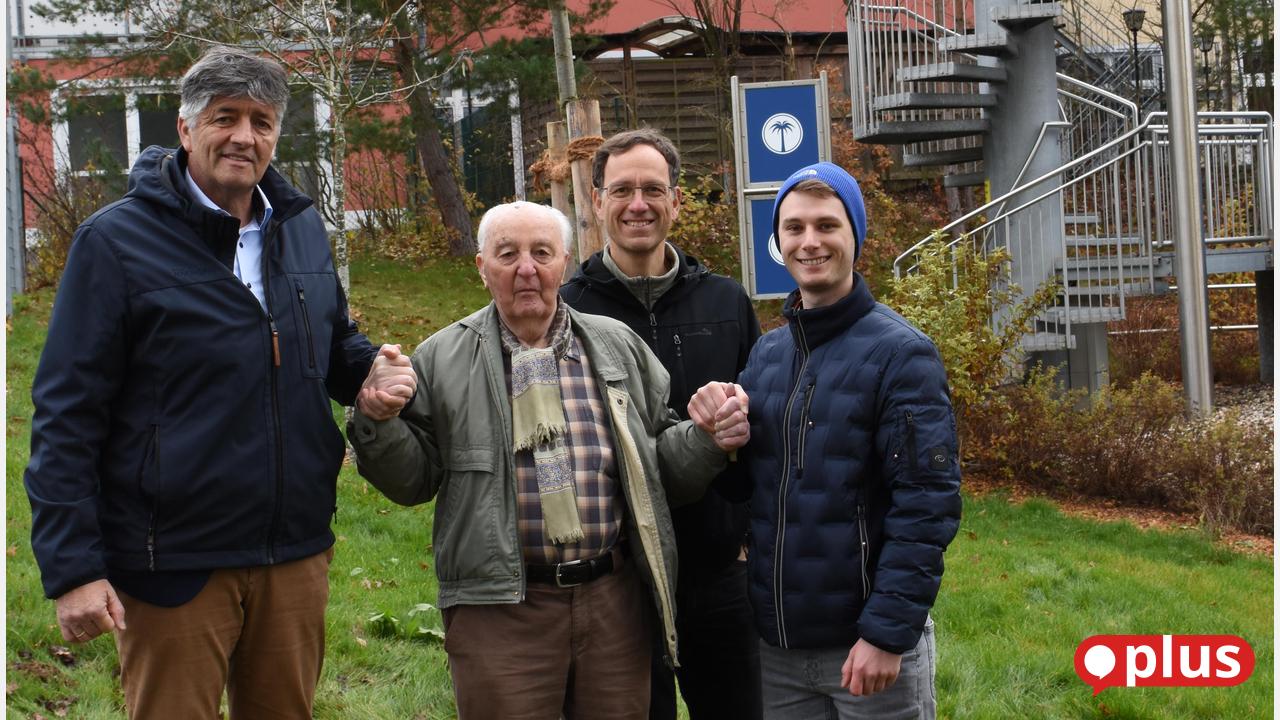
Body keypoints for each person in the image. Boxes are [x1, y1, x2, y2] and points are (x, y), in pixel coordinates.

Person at [23, 47, 416, 719]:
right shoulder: (116, 243)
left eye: (261, 121)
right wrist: (74, 569)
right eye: (225, 117)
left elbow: (327, 336)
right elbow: (67, 413)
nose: (244, 136)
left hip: (292, 551)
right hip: (174, 561)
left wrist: (367, 371)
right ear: (185, 128)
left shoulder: (299, 228)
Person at [349, 200, 750, 720]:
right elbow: (413, 481)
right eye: (507, 253)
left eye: (541, 252)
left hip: (613, 606)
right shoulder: (441, 359)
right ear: (481, 267)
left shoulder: (616, 347)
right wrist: (376, 420)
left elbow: (660, 471)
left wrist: (705, 438)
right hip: (499, 609)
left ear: (564, 261)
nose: (526, 269)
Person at [735, 162, 962, 719]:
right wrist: (715, 437)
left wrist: (887, 634)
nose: (809, 241)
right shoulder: (767, 355)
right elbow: (749, 492)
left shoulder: (902, 354)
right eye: (793, 228)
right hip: (778, 650)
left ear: (854, 236)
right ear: (779, 241)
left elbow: (926, 505)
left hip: (868, 650)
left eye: (826, 225)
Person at [560, 128, 763, 719]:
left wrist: (750, 535)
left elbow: (760, 429)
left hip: (718, 570)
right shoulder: (568, 311)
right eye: (621, 190)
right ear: (596, 202)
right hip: (618, 580)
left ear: (677, 200)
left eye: (653, 189)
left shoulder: (726, 303)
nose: (638, 204)